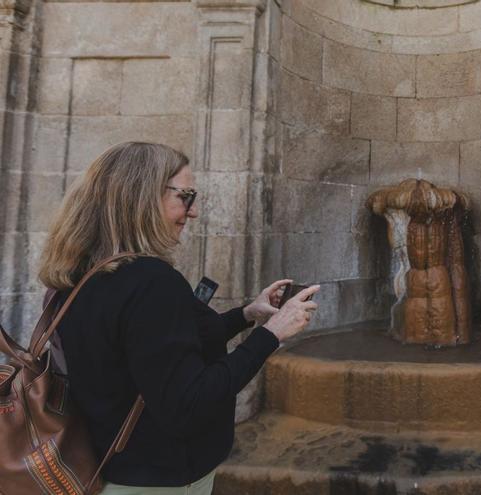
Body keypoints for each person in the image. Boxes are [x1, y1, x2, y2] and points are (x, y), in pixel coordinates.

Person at [37, 142, 319, 494]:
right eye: (185, 196)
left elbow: (157, 349)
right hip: (159, 479)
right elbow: (190, 404)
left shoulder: (80, 275)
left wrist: (248, 315)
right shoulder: (151, 282)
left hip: (102, 466)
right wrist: (272, 335)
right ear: (141, 197)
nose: (194, 211)